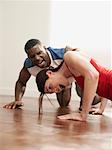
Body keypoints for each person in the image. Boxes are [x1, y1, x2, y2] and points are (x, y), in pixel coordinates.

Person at [36, 49, 110, 121]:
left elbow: (94, 76)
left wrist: (83, 114)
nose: (56, 90)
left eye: (50, 87)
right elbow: (100, 81)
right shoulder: (73, 74)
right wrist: (101, 109)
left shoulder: (68, 57)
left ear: (49, 73)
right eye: (52, 92)